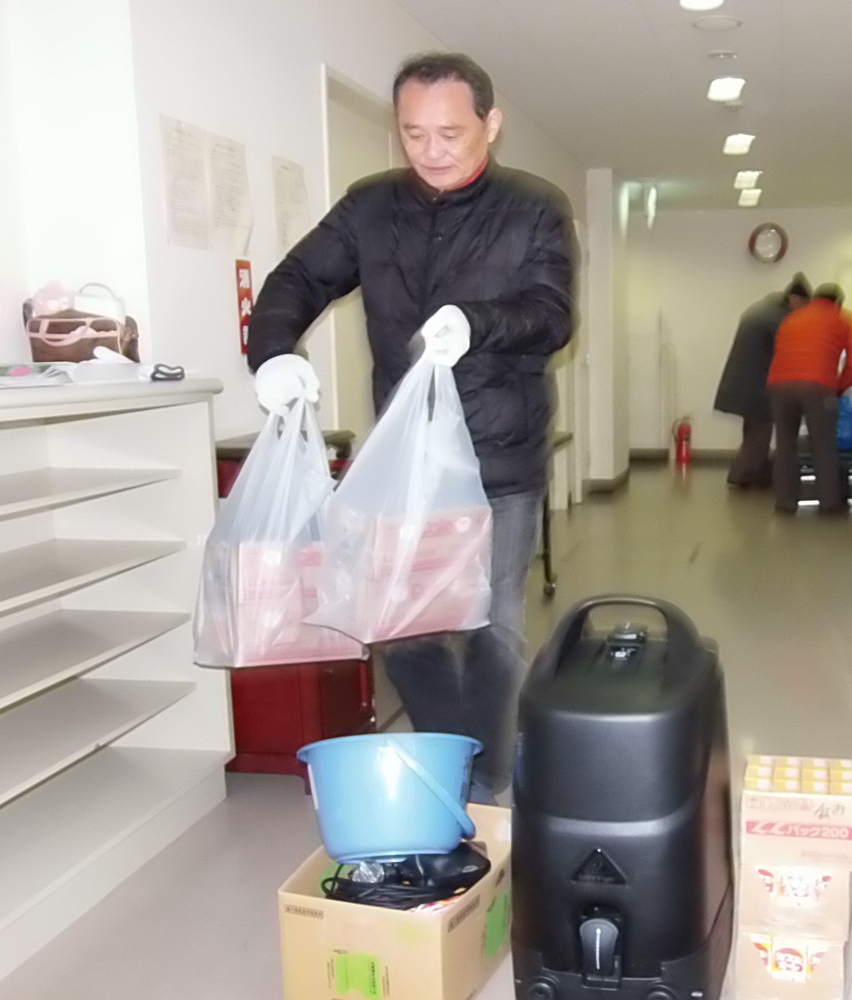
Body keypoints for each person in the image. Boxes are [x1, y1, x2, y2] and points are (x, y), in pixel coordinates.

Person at [246, 51, 577, 804]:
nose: (431, 151)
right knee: (398, 622)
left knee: (491, 625)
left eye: (450, 134)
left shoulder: (534, 207)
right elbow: (299, 278)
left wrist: (479, 323)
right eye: (413, 133)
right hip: (406, 461)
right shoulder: (371, 206)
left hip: (500, 454)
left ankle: (486, 786)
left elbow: (553, 314)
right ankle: (457, 759)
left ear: (491, 123)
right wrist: (272, 352)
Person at [766, 283, 852, 515]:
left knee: (785, 444)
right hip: (817, 385)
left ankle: (785, 503)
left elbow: (779, 350)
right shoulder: (843, 317)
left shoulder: (792, 318)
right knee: (823, 445)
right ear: (838, 301)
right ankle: (830, 503)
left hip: (779, 385)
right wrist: (840, 385)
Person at [713, 273, 812, 489]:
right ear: (795, 299)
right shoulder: (775, 318)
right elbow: (788, 350)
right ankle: (740, 476)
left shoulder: (765, 308)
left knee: (755, 432)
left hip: (745, 382)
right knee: (759, 433)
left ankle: (759, 473)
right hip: (755, 384)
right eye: (804, 305)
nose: (804, 310)